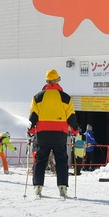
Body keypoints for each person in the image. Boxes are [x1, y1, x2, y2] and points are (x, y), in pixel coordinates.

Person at [28, 69, 78, 199]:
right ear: (58, 80)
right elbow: (71, 117)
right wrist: (75, 130)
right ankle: (62, 187)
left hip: (42, 133)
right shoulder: (66, 98)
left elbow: (33, 116)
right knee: (61, 160)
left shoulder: (38, 97)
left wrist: (31, 130)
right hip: (59, 133)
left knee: (40, 159)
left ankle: (38, 187)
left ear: (46, 81)